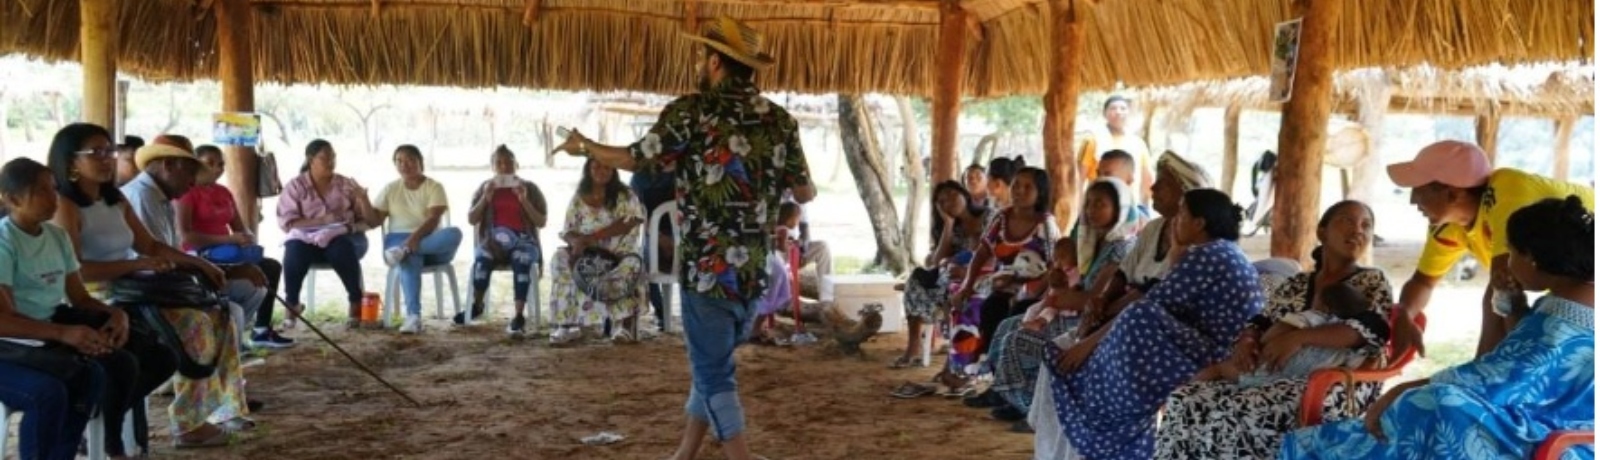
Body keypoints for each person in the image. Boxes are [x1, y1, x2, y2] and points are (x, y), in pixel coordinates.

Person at [553, 16, 815, 460]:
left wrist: (587, 147)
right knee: (712, 365)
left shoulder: (692, 112)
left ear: (715, 61)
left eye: (702, 56)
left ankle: (741, 456)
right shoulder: (781, 121)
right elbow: (805, 190)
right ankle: (685, 453)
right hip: (754, 272)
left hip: (707, 271)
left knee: (714, 374)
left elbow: (636, 159)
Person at [1281, 196, 1594, 459]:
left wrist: (1405, 386)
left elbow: (1500, 379)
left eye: (1512, 252)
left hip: (1546, 435)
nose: (1508, 261)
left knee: (1436, 402)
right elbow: (1520, 359)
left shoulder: (1561, 316)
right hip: (1553, 426)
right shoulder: (1569, 300)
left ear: (1533, 258)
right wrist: (1511, 302)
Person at [48, 124, 250, 449]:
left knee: (219, 314)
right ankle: (183, 424)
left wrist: (200, 264)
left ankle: (212, 409)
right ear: (71, 162)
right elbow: (76, 271)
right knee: (195, 324)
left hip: (133, 290)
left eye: (109, 152)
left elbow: (152, 247)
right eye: (95, 153)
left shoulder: (115, 200)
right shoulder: (65, 206)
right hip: (94, 297)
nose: (106, 159)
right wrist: (136, 265)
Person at [1154, 200, 1393, 458]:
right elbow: (1261, 320)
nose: (1358, 230)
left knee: (1241, 409)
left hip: (1334, 382)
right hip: (1275, 370)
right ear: (1322, 232)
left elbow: (1374, 330)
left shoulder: (1372, 279)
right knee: (1186, 398)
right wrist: (1246, 340)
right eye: (1347, 221)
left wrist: (1299, 338)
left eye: (1366, 225)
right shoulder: (1297, 282)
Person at [1039, 188, 1262, 460]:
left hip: (1222, 355)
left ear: (1199, 224)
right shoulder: (1218, 251)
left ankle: (1113, 421)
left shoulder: (1209, 256)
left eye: (1181, 213)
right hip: (1209, 346)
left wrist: (1085, 346)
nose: (1175, 221)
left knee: (1138, 318)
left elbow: (1149, 305)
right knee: (1131, 320)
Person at [1386, 140, 1594, 360]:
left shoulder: (1508, 189)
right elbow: (1423, 281)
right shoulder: (1448, 226)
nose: (1411, 200)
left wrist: (1478, 371)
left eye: (1418, 190)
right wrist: (1404, 315)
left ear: (1452, 194)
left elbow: (1501, 286)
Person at [982, 177, 1141, 430]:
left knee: (1019, 339)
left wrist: (1064, 297)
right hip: (1071, 311)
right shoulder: (1092, 241)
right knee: (1007, 325)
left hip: (1092, 323)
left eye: (1100, 204)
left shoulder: (1121, 247)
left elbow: (1097, 300)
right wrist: (1060, 287)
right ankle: (1007, 395)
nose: (1091, 210)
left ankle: (1035, 412)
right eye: (1088, 203)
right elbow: (1076, 283)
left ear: (1119, 209)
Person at [0, 157, 121, 460]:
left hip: (26, 341)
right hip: (7, 346)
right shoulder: (3, 242)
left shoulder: (56, 236)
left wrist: (115, 315)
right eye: (42, 191)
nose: (54, 198)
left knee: (90, 375)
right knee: (46, 392)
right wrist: (62, 333)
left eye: (54, 189)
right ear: (11, 199)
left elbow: (78, 296)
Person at [123, 136, 269, 352]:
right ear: (168, 165)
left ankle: (218, 359)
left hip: (169, 281)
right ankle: (207, 368)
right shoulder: (142, 196)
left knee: (252, 288)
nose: (193, 182)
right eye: (190, 172)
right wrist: (215, 269)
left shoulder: (160, 197)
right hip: (148, 290)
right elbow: (157, 259)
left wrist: (227, 269)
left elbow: (167, 250)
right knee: (232, 312)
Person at [949, 166, 1061, 398]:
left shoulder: (1046, 224)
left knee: (1015, 315)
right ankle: (983, 376)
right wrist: (967, 285)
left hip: (1036, 290)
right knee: (985, 307)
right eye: (1016, 185)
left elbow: (1055, 265)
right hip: (1002, 286)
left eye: (1027, 186)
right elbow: (981, 252)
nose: (1019, 190)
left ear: (1040, 192)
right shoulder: (1001, 218)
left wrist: (1033, 292)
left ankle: (1007, 386)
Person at [178, 144, 292, 348]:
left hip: (229, 253)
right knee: (255, 274)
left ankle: (261, 329)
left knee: (270, 266)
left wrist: (247, 238)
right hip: (202, 256)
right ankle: (231, 334)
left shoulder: (224, 192)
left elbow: (239, 226)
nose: (216, 168)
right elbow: (186, 237)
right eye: (209, 163)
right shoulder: (187, 193)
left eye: (221, 164)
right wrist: (227, 240)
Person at [1195, 282, 1381, 387]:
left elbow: (1280, 329)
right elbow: (1364, 364)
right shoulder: (1347, 349)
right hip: (1303, 381)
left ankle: (1186, 386)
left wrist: (1266, 344)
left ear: (1322, 305)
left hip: (1267, 368)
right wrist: (1248, 338)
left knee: (1219, 369)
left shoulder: (1312, 317)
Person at [277, 139, 375, 329]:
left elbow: (369, 220)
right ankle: (292, 304)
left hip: (345, 239)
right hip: (308, 242)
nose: (331, 162)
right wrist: (320, 222)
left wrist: (363, 198)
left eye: (333, 158)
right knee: (294, 248)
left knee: (341, 247)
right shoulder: (296, 186)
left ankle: (355, 301)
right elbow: (288, 224)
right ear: (311, 160)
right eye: (325, 158)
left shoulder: (346, 184)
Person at [547, 158, 646, 344]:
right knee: (560, 259)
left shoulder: (625, 194)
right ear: (588, 169)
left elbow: (628, 223)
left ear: (613, 170)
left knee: (629, 267)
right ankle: (567, 326)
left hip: (620, 254)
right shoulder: (579, 197)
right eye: (596, 166)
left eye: (607, 166)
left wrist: (595, 237)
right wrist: (576, 242)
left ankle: (624, 326)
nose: (602, 170)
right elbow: (568, 229)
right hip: (587, 254)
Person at [890, 180, 987, 370]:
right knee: (916, 281)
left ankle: (954, 359)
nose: (949, 202)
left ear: (964, 194)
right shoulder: (952, 227)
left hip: (979, 277)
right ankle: (913, 348)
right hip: (951, 277)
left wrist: (966, 270)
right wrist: (948, 225)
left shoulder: (989, 216)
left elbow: (992, 254)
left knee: (950, 285)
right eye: (942, 202)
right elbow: (936, 261)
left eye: (952, 195)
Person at [367, 145, 462, 334]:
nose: (404, 164)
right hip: (398, 239)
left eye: (410, 159)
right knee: (410, 258)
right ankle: (413, 317)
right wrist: (362, 199)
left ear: (421, 162)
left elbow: (433, 219)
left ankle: (404, 251)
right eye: (399, 161)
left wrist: (411, 242)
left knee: (454, 233)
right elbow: (374, 221)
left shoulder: (434, 187)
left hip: (430, 242)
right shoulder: (390, 189)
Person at [465, 145, 548, 335]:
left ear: (516, 164)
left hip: (524, 242)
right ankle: (477, 304)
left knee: (522, 260)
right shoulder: (485, 188)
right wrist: (486, 198)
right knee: (482, 259)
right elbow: (472, 219)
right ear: (493, 167)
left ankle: (519, 314)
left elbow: (541, 222)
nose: (504, 166)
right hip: (492, 243)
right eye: (499, 163)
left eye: (509, 161)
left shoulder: (531, 188)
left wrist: (524, 200)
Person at [629, 151, 677, 332]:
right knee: (646, 262)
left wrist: (677, 240)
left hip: (685, 234)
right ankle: (662, 313)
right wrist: (660, 237)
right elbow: (637, 209)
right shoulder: (641, 177)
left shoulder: (686, 173)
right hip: (653, 232)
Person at [1076, 96, 1155, 203]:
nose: (1118, 112)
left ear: (1129, 113)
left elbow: (1147, 179)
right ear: (1104, 113)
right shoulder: (1092, 141)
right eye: (1113, 108)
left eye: (1123, 108)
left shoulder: (1138, 143)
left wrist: (1145, 206)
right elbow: (1079, 178)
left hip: (1130, 203)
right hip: (1099, 203)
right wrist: (1081, 207)